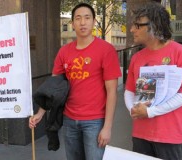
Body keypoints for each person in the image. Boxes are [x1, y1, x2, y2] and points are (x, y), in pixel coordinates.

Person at [29, 3, 121, 160]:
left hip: (95, 121)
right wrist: (40, 113)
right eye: (78, 18)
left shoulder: (106, 50)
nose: (83, 22)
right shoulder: (64, 51)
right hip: (69, 119)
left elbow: (112, 91)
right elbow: (53, 88)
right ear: (72, 23)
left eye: (87, 18)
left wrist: (107, 127)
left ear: (93, 21)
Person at [124, 2, 182, 160]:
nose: (132, 30)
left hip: (170, 136)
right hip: (141, 134)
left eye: (137, 25)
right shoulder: (137, 57)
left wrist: (150, 112)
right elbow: (130, 91)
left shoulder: (180, 53)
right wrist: (133, 108)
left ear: (155, 26)